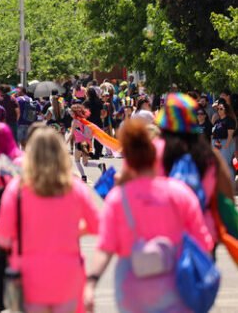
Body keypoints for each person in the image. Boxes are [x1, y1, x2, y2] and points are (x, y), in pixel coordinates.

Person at [84, 120, 214, 313]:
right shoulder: (180, 193)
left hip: (131, 290)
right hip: (175, 286)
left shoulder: (118, 198)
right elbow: (204, 242)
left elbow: (105, 246)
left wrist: (91, 283)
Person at [0, 127, 99, 312]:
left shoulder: (17, 189)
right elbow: (97, 224)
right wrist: (74, 230)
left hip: (28, 273)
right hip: (67, 271)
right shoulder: (75, 187)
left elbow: (4, 235)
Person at [159, 93, 234, 256]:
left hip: (163, 236)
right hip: (203, 235)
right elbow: (227, 198)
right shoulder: (209, 155)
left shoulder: (154, 152)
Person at [68, 105, 105, 183]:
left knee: (77, 160)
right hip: (87, 143)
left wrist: (65, 143)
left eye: (71, 112)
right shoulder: (84, 120)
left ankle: (83, 177)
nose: (70, 113)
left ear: (75, 113)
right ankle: (100, 165)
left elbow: (71, 134)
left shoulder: (74, 121)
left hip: (79, 143)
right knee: (85, 163)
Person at [212, 99, 236, 181]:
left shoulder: (229, 120)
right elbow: (213, 133)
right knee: (219, 165)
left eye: (221, 108)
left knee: (226, 164)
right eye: (218, 109)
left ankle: (231, 183)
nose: (219, 110)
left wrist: (227, 145)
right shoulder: (217, 121)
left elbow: (230, 134)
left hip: (226, 142)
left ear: (226, 110)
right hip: (217, 143)